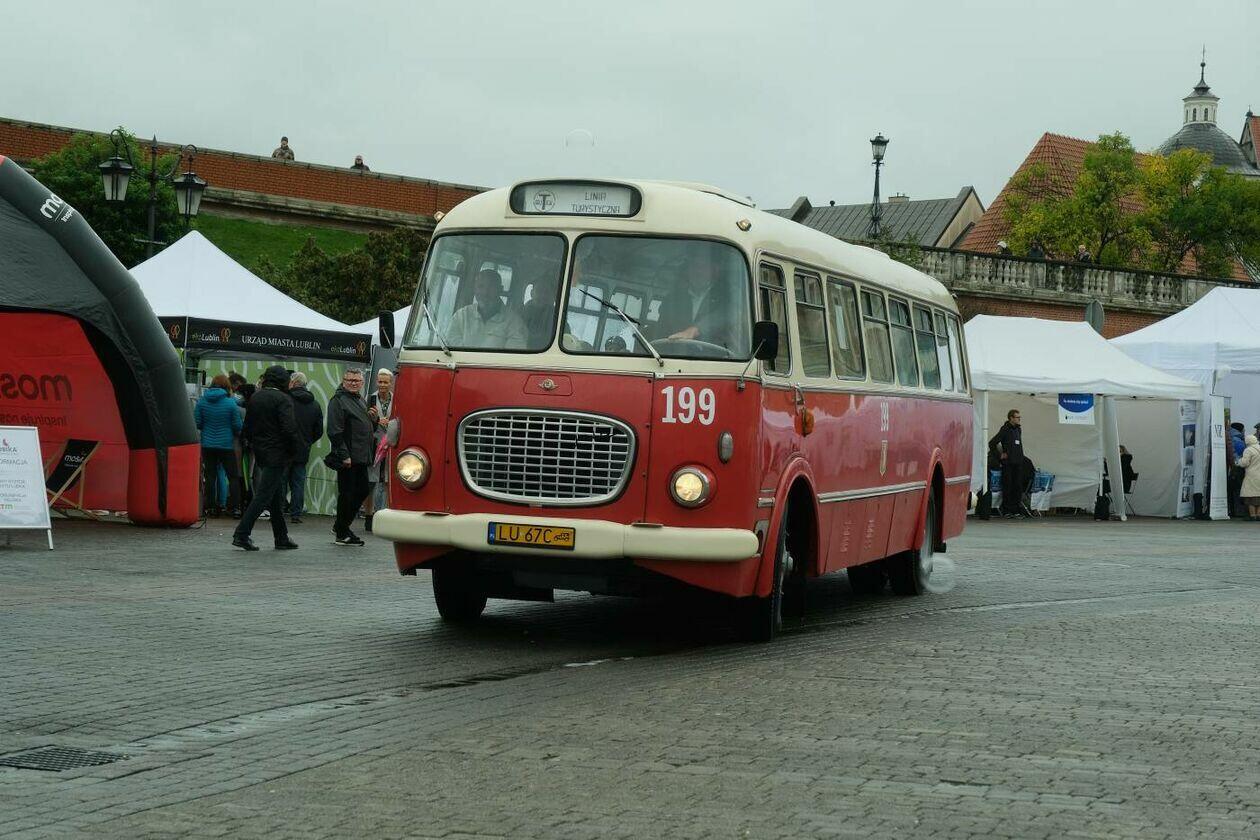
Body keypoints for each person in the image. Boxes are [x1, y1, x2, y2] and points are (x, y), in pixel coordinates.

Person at [232, 365, 303, 551]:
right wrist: (294, 449)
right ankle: (241, 534)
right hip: (278, 453)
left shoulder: (256, 397)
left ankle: (281, 537)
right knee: (263, 496)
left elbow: (247, 427)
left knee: (275, 496)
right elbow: (289, 428)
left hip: (261, 451)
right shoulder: (283, 399)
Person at [326, 368, 374, 546]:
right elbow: (334, 430)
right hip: (349, 457)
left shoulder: (359, 399)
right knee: (347, 494)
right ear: (343, 381)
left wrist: (374, 419)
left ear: (362, 382)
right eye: (350, 380)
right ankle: (342, 532)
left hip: (361, 456)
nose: (353, 383)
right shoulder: (338, 400)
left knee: (362, 490)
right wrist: (344, 455)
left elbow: (365, 426)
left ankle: (341, 526)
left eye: (357, 380)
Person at [656, 246, 733, 346]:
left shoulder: (726, 297)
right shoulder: (672, 300)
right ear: (687, 270)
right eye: (694, 266)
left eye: (703, 267)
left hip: (716, 354)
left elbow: (725, 315)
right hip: (674, 354)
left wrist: (695, 330)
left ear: (715, 270)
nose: (698, 271)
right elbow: (660, 332)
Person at [194, 374, 243, 517]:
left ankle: (210, 508)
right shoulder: (230, 403)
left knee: (210, 476)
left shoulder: (202, 402)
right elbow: (237, 425)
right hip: (226, 445)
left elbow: (197, 423)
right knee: (232, 476)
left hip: (208, 445)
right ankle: (235, 508)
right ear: (226, 386)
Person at [446, 268, 528, 349]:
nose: (485, 293)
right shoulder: (461, 316)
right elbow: (451, 349)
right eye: (480, 286)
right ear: (474, 289)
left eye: (491, 287)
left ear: (500, 290)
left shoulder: (515, 324)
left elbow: (511, 356)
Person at [287, 371, 324, 524]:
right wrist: (307, 441)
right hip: (302, 449)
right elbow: (319, 431)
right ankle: (295, 514)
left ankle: (278, 511)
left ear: (293, 383)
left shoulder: (285, 400)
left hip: (284, 448)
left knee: (280, 481)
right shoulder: (314, 404)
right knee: (298, 483)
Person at [363, 368, 394, 532]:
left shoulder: (397, 399)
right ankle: (369, 516)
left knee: (388, 481)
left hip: (391, 445)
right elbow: (363, 422)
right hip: (374, 445)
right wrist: (375, 420)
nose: (382, 385)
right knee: (371, 482)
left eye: (385, 382)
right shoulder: (370, 399)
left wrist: (391, 422)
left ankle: (385, 515)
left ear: (391, 383)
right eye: (380, 381)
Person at [989, 409, 1027, 518]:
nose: (1019, 419)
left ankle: (1016, 510)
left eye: (1019, 417)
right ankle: (1007, 510)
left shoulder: (1018, 429)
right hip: (1008, 463)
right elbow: (992, 443)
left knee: (1017, 486)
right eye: (1017, 417)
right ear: (1011, 418)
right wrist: (999, 455)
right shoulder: (1005, 429)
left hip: (1018, 462)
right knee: (1008, 486)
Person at [1237, 434, 1260, 520]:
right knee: (1259, 496)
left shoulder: (1248, 450)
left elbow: (1245, 463)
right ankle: (1258, 515)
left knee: (1250, 497)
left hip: (1252, 475)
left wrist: (1238, 461)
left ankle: (1252, 515)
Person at [1228, 422, 1246, 517]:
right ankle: (1239, 511)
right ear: (1240, 430)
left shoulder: (1229, 437)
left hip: (1231, 468)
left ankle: (1233, 510)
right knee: (1238, 490)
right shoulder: (1238, 440)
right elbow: (1242, 454)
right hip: (1238, 467)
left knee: (1232, 490)